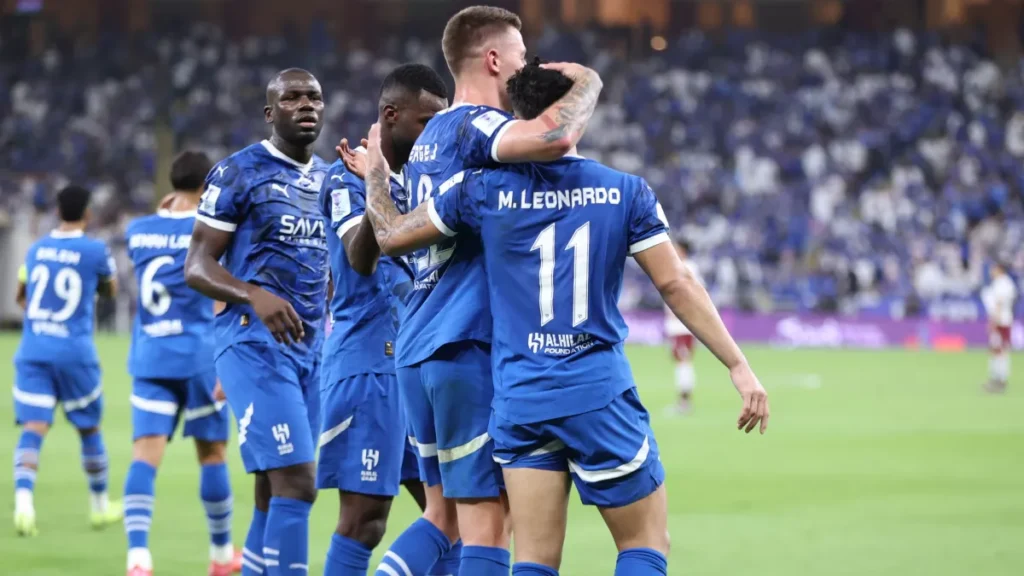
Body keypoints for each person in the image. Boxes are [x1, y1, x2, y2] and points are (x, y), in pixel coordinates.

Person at [359, 62, 770, 576]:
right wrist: (737, 364)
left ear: (519, 120)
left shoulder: (480, 190)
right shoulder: (625, 190)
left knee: (533, 558)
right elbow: (676, 284)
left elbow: (391, 235)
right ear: (576, 115)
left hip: (521, 398)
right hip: (597, 393)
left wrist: (376, 173)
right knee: (644, 542)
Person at [341, 8, 604, 576]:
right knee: (489, 523)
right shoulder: (477, 125)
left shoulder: (430, 136)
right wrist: (586, 79)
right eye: (521, 55)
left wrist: (377, 175)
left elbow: (393, 235)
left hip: (420, 346)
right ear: (492, 59)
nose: (528, 66)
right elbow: (557, 135)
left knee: (443, 518)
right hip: (467, 345)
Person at [316, 64, 462, 576]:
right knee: (365, 521)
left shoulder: (422, 183)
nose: (434, 133)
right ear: (391, 115)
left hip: (415, 365)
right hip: (367, 363)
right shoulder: (344, 176)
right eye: (426, 122)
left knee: (451, 517)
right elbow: (360, 258)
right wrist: (374, 178)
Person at [184, 68, 330, 576]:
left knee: (272, 487)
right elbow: (196, 265)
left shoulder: (330, 179)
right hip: (253, 345)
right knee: (298, 482)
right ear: (270, 113)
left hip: (312, 351)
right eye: (292, 98)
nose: (306, 105)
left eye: (314, 97)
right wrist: (253, 294)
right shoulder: (238, 172)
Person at [123, 151, 242, 576]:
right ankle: (222, 555)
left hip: (150, 356)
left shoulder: (137, 231)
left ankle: (138, 558)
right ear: (207, 186)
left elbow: (158, 233)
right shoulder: (211, 230)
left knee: (144, 457)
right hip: (199, 357)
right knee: (212, 454)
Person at [12, 185, 122, 537]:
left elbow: (21, 296)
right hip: (75, 353)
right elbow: (111, 290)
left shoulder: (36, 248)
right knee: (89, 429)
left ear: (57, 212)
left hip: (33, 350)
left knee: (33, 429)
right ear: (88, 213)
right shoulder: (95, 250)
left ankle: (24, 505)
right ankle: (99, 506)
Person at [663, 240, 703, 415]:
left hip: (683, 324)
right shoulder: (678, 266)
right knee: (681, 361)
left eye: (676, 248)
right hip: (677, 325)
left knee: (683, 361)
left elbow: (694, 291)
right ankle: (684, 401)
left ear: (683, 250)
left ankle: (684, 402)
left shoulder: (687, 267)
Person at [982, 261, 1017, 393]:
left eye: (993, 268)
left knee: (1000, 350)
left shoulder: (1003, 283)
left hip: (1001, 322)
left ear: (999, 269)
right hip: (1001, 320)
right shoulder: (1002, 283)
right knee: (996, 350)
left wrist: (993, 321)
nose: (991, 271)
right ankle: (996, 378)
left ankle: (1000, 380)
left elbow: (999, 303)